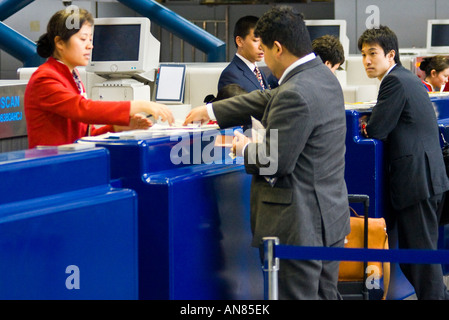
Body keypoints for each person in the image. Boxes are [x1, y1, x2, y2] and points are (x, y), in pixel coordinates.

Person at [184, 6, 349, 300]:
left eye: (265, 49)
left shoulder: (295, 91)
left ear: (278, 47)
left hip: (297, 228)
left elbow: (274, 161)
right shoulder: (323, 77)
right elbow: (266, 98)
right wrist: (210, 109)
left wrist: (243, 146)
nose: (265, 59)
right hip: (329, 220)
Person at [358, 25, 449, 299]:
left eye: (373, 53)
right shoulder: (407, 78)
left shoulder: (394, 82)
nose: (367, 60)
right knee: (415, 260)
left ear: (391, 54)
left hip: (416, 184)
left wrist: (367, 124)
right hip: (427, 181)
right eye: (363, 54)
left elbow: (377, 129)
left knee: (421, 263)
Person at [25, 8, 174, 149]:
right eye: (83, 39)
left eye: (90, 39)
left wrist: (116, 128)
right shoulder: (45, 78)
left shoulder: (72, 76)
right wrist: (138, 105)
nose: (90, 46)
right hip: (51, 167)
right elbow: (83, 109)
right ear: (59, 43)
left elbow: (83, 136)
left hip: (71, 162)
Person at [217, 15, 274, 93]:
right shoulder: (230, 75)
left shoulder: (260, 72)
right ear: (239, 41)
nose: (262, 47)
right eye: (256, 40)